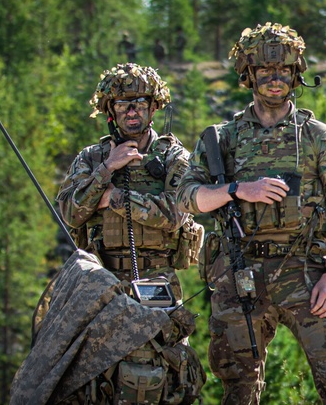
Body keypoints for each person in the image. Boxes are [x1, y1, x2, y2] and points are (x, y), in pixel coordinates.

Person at [176, 22, 326, 405]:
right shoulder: (223, 139)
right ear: (249, 75)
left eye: (283, 70)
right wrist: (237, 189)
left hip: (306, 274)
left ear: (296, 74)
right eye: (265, 71)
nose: (275, 79)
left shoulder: (321, 139)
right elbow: (187, 197)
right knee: (239, 390)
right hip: (240, 273)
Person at [55, 62, 205, 403]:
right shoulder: (93, 158)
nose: (132, 110)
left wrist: (115, 198)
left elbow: (176, 213)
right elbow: (68, 212)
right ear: (110, 110)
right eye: (123, 103)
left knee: (156, 377)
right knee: (92, 379)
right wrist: (108, 169)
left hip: (157, 281)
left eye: (140, 102)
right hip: (99, 282)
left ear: (154, 107)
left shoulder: (173, 157)